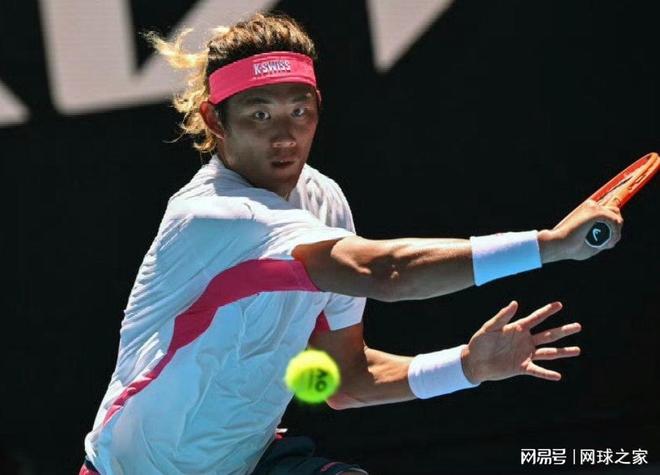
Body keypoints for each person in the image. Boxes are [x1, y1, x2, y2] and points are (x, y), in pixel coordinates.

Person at [79, 12, 624, 475]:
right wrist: (549, 245)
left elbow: (345, 378)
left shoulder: (322, 200)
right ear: (215, 120)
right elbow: (386, 272)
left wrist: (466, 366)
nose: (285, 136)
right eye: (259, 114)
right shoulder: (215, 216)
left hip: (250, 463)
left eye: (299, 111)